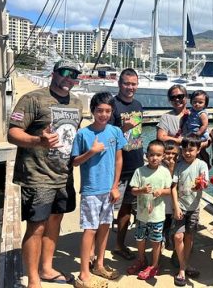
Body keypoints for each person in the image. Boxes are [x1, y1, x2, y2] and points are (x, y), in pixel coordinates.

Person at [8, 60, 83, 288]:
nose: (69, 78)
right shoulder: (33, 99)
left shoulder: (78, 103)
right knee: (36, 226)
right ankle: (33, 280)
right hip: (37, 175)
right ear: (54, 74)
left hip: (63, 175)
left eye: (74, 75)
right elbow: (12, 133)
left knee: (55, 222)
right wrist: (37, 141)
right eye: (65, 73)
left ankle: (47, 268)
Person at [71, 92, 127, 288]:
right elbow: (75, 162)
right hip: (91, 189)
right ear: (93, 110)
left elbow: (119, 159)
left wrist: (115, 186)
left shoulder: (115, 132)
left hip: (109, 190)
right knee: (90, 229)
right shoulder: (83, 134)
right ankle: (83, 274)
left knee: (105, 226)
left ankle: (99, 264)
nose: (103, 114)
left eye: (107, 111)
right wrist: (91, 152)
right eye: (99, 110)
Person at [110, 68, 145, 261]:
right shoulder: (113, 105)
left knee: (127, 207)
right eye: (126, 83)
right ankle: (95, 249)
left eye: (133, 84)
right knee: (107, 210)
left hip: (137, 165)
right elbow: (108, 137)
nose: (130, 87)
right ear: (119, 84)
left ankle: (119, 244)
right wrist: (124, 127)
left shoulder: (139, 105)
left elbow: (136, 135)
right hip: (118, 167)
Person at [127, 140, 172, 281]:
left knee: (155, 241)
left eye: (158, 155)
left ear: (163, 156)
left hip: (157, 216)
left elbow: (170, 189)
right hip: (141, 215)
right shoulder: (139, 171)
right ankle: (141, 259)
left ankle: (154, 264)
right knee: (140, 239)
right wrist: (141, 190)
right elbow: (133, 191)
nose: (155, 158)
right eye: (152, 154)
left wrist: (161, 191)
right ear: (146, 155)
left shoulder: (165, 172)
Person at [170, 134, 209, 287]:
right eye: (185, 149)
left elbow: (205, 182)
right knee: (178, 237)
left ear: (198, 150)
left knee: (189, 237)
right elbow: (173, 187)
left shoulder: (201, 165)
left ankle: (183, 266)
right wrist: (176, 206)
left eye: (191, 150)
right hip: (180, 207)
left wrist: (200, 184)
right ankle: (182, 266)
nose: (187, 153)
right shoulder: (179, 165)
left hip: (194, 208)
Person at [162, 140, 180, 251]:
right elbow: (168, 183)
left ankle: (169, 240)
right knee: (164, 222)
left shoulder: (179, 165)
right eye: (168, 153)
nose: (171, 156)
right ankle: (164, 240)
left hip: (174, 201)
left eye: (174, 153)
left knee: (171, 223)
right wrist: (171, 169)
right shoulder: (159, 165)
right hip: (163, 201)